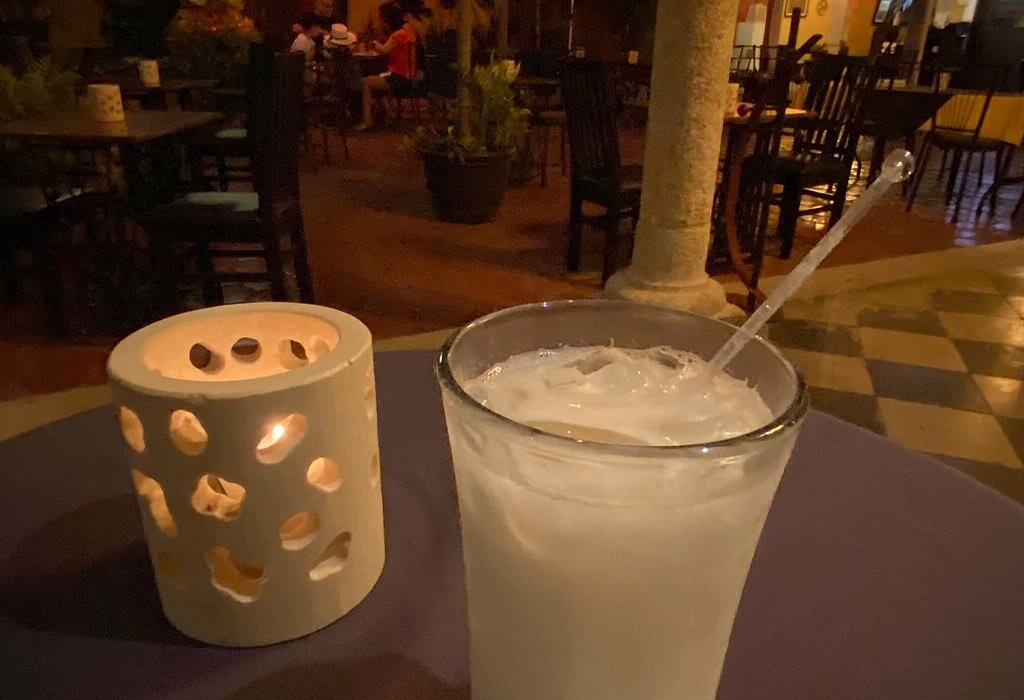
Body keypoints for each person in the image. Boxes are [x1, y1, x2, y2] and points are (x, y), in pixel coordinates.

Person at [354, 2, 426, 130]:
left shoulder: (397, 35)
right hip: (409, 74)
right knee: (377, 78)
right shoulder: (409, 31)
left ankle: (367, 120)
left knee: (366, 82)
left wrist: (374, 43)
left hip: (398, 77)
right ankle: (384, 115)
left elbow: (384, 50)